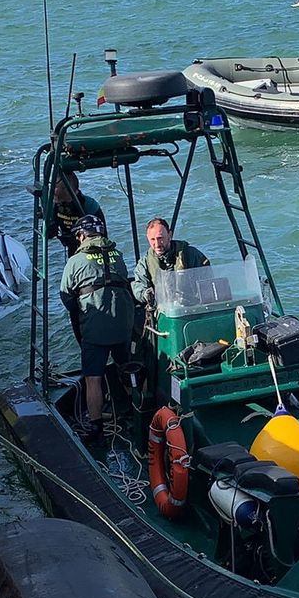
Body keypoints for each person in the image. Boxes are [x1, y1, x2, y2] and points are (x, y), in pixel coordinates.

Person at [59, 215, 132, 441]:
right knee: (127, 368)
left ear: (82, 236)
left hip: (96, 330)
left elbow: (66, 297)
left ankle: (96, 427)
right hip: (124, 326)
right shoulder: (118, 255)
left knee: (93, 379)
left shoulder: (75, 260)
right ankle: (136, 409)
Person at [131, 217, 208, 308]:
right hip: (163, 312)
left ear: (169, 235)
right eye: (152, 239)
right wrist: (146, 294)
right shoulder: (144, 263)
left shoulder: (191, 254)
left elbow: (207, 279)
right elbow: (138, 286)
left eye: (160, 238)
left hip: (192, 308)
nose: (157, 244)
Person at [49, 172, 105, 256]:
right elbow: (49, 234)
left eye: (66, 200)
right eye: (60, 201)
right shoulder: (54, 204)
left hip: (91, 247)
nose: (63, 204)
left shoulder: (89, 205)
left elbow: (102, 238)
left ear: (73, 192)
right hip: (71, 246)